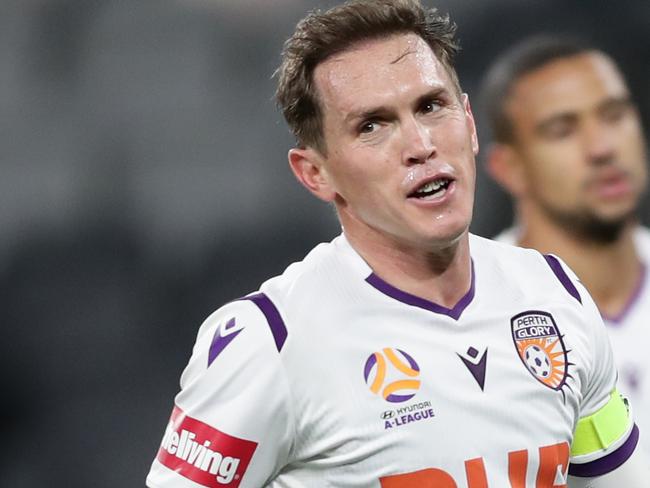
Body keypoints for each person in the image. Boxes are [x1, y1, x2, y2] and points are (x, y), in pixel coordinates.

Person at [146, 2, 648, 486]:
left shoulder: (555, 294)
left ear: (469, 124)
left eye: (431, 106)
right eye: (373, 125)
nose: (420, 145)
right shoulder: (272, 340)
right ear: (316, 173)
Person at [481, 35, 650, 460]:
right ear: (509, 168)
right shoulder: (480, 318)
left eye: (614, 115)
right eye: (563, 130)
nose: (602, 148)